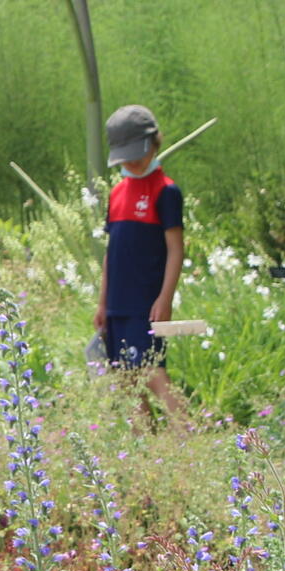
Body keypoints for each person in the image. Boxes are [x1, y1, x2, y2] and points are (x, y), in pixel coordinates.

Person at [93, 105, 186, 378]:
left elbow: (175, 250)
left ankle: (186, 423)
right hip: (115, 306)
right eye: (125, 157)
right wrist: (102, 304)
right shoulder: (117, 192)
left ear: (154, 142)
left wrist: (165, 298)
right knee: (126, 381)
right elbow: (111, 253)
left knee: (153, 373)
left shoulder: (166, 191)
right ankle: (143, 425)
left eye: (137, 153)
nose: (132, 162)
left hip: (146, 306)